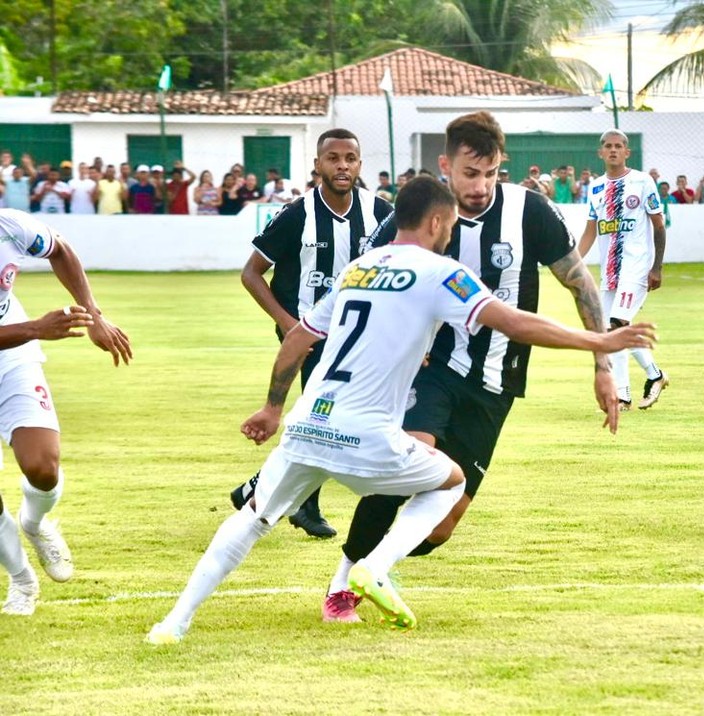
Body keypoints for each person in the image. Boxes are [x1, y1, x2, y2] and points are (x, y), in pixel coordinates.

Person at [146, 177, 652, 643]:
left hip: (307, 422)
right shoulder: (442, 274)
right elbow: (513, 322)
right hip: (366, 436)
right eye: (450, 225)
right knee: (450, 482)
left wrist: (273, 406)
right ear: (436, 222)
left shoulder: (357, 269)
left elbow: (299, 337)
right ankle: (376, 567)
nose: (451, 233)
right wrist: (600, 339)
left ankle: (174, 623)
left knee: (251, 521)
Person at [320, 111, 621, 623]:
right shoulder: (417, 217)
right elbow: (371, 278)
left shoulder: (531, 211)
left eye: (490, 174)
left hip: (497, 381)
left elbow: (580, 283)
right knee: (406, 463)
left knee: (443, 520)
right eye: (469, 174)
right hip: (430, 369)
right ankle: (344, 585)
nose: (480, 187)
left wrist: (603, 364)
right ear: (446, 165)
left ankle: (378, 564)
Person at [229, 128, 393, 539]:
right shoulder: (297, 214)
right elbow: (251, 273)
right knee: (328, 415)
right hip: (309, 333)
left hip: (357, 334)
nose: (342, 165)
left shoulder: (381, 213)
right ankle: (300, 502)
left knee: (330, 417)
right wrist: (290, 325)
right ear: (317, 165)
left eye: (350, 158)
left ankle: (260, 487)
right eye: (333, 158)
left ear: (359, 164)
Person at [0, 208, 132, 616]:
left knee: (43, 467)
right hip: (22, 336)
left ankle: (35, 524)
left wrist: (93, 314)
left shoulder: (8, 224)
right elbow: (33, 328)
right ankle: (22, 582)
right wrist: (36, 329)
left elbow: (61, 250)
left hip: (12, 362)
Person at [577, 129, 668, 412]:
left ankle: (648, 378)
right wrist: (572, 264)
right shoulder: (595, 187)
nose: (613, 150)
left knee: (616, 325)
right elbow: (591, 231)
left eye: (618, 146)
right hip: (611, 271)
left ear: (627, 152)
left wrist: (657, 267)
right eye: (608, 146)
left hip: (637, 267)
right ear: (600, 153)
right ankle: (631, 392)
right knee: (611, 333)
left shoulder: (642, 182)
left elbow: (658, 225)